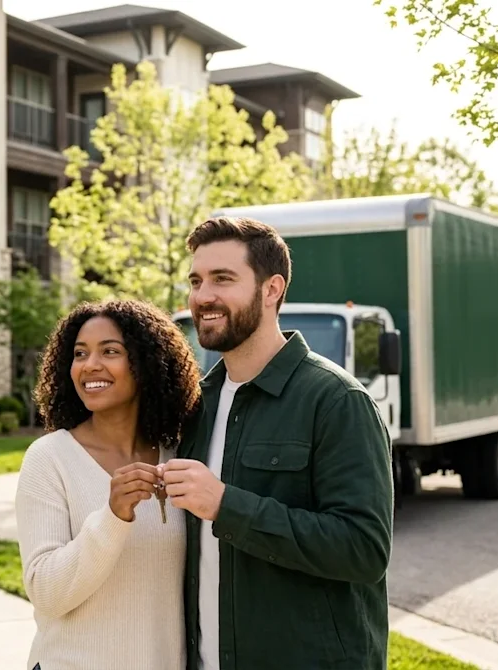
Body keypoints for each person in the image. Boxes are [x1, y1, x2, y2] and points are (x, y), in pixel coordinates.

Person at [161, 215, 395, 670]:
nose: (202, 296)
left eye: (223, 279)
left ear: (272, 290)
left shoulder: (337, 401)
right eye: (196, 280)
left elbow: (364, 550)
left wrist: (226, 505)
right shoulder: (196, 406)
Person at [15, 299, 202, 670]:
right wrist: (113, 516)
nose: (90, 365)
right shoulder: (49, 458)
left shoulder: (178, 458)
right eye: (80, 353)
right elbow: (46, 593)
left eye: (110, 351)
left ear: (147, 363)